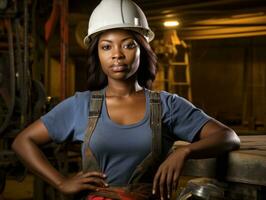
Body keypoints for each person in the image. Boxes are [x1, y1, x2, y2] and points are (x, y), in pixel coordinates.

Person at [12, 0, 240, 199]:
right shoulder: (81, 105)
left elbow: (227, 136)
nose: (117, 54)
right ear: (97, 54)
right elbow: (23, 141)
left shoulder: (167, 105)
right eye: (106, 46)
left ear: (142, 49)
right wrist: (61, 182)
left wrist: (186, 151)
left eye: (128, 45)